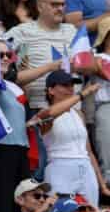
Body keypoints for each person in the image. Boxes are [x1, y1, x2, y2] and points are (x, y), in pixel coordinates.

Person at [36, 70, 104, 203]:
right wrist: (83, 94)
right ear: (51, 90)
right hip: (59, 166)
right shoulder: (43, 112)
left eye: (72, 85)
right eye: (65, 85)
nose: (70, 89)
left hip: (85, 168)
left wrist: (101, 183)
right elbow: (51, 113)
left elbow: (89, 152)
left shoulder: (79, 114)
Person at [6, 0, 75, 114]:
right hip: (39, 108)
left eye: (62, 4)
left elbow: (90, 66)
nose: (60, 8)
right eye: (54, 4)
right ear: (40, 7)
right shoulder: (23, 31)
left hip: (72, 107)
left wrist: (80, 65)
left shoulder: (72, 30)